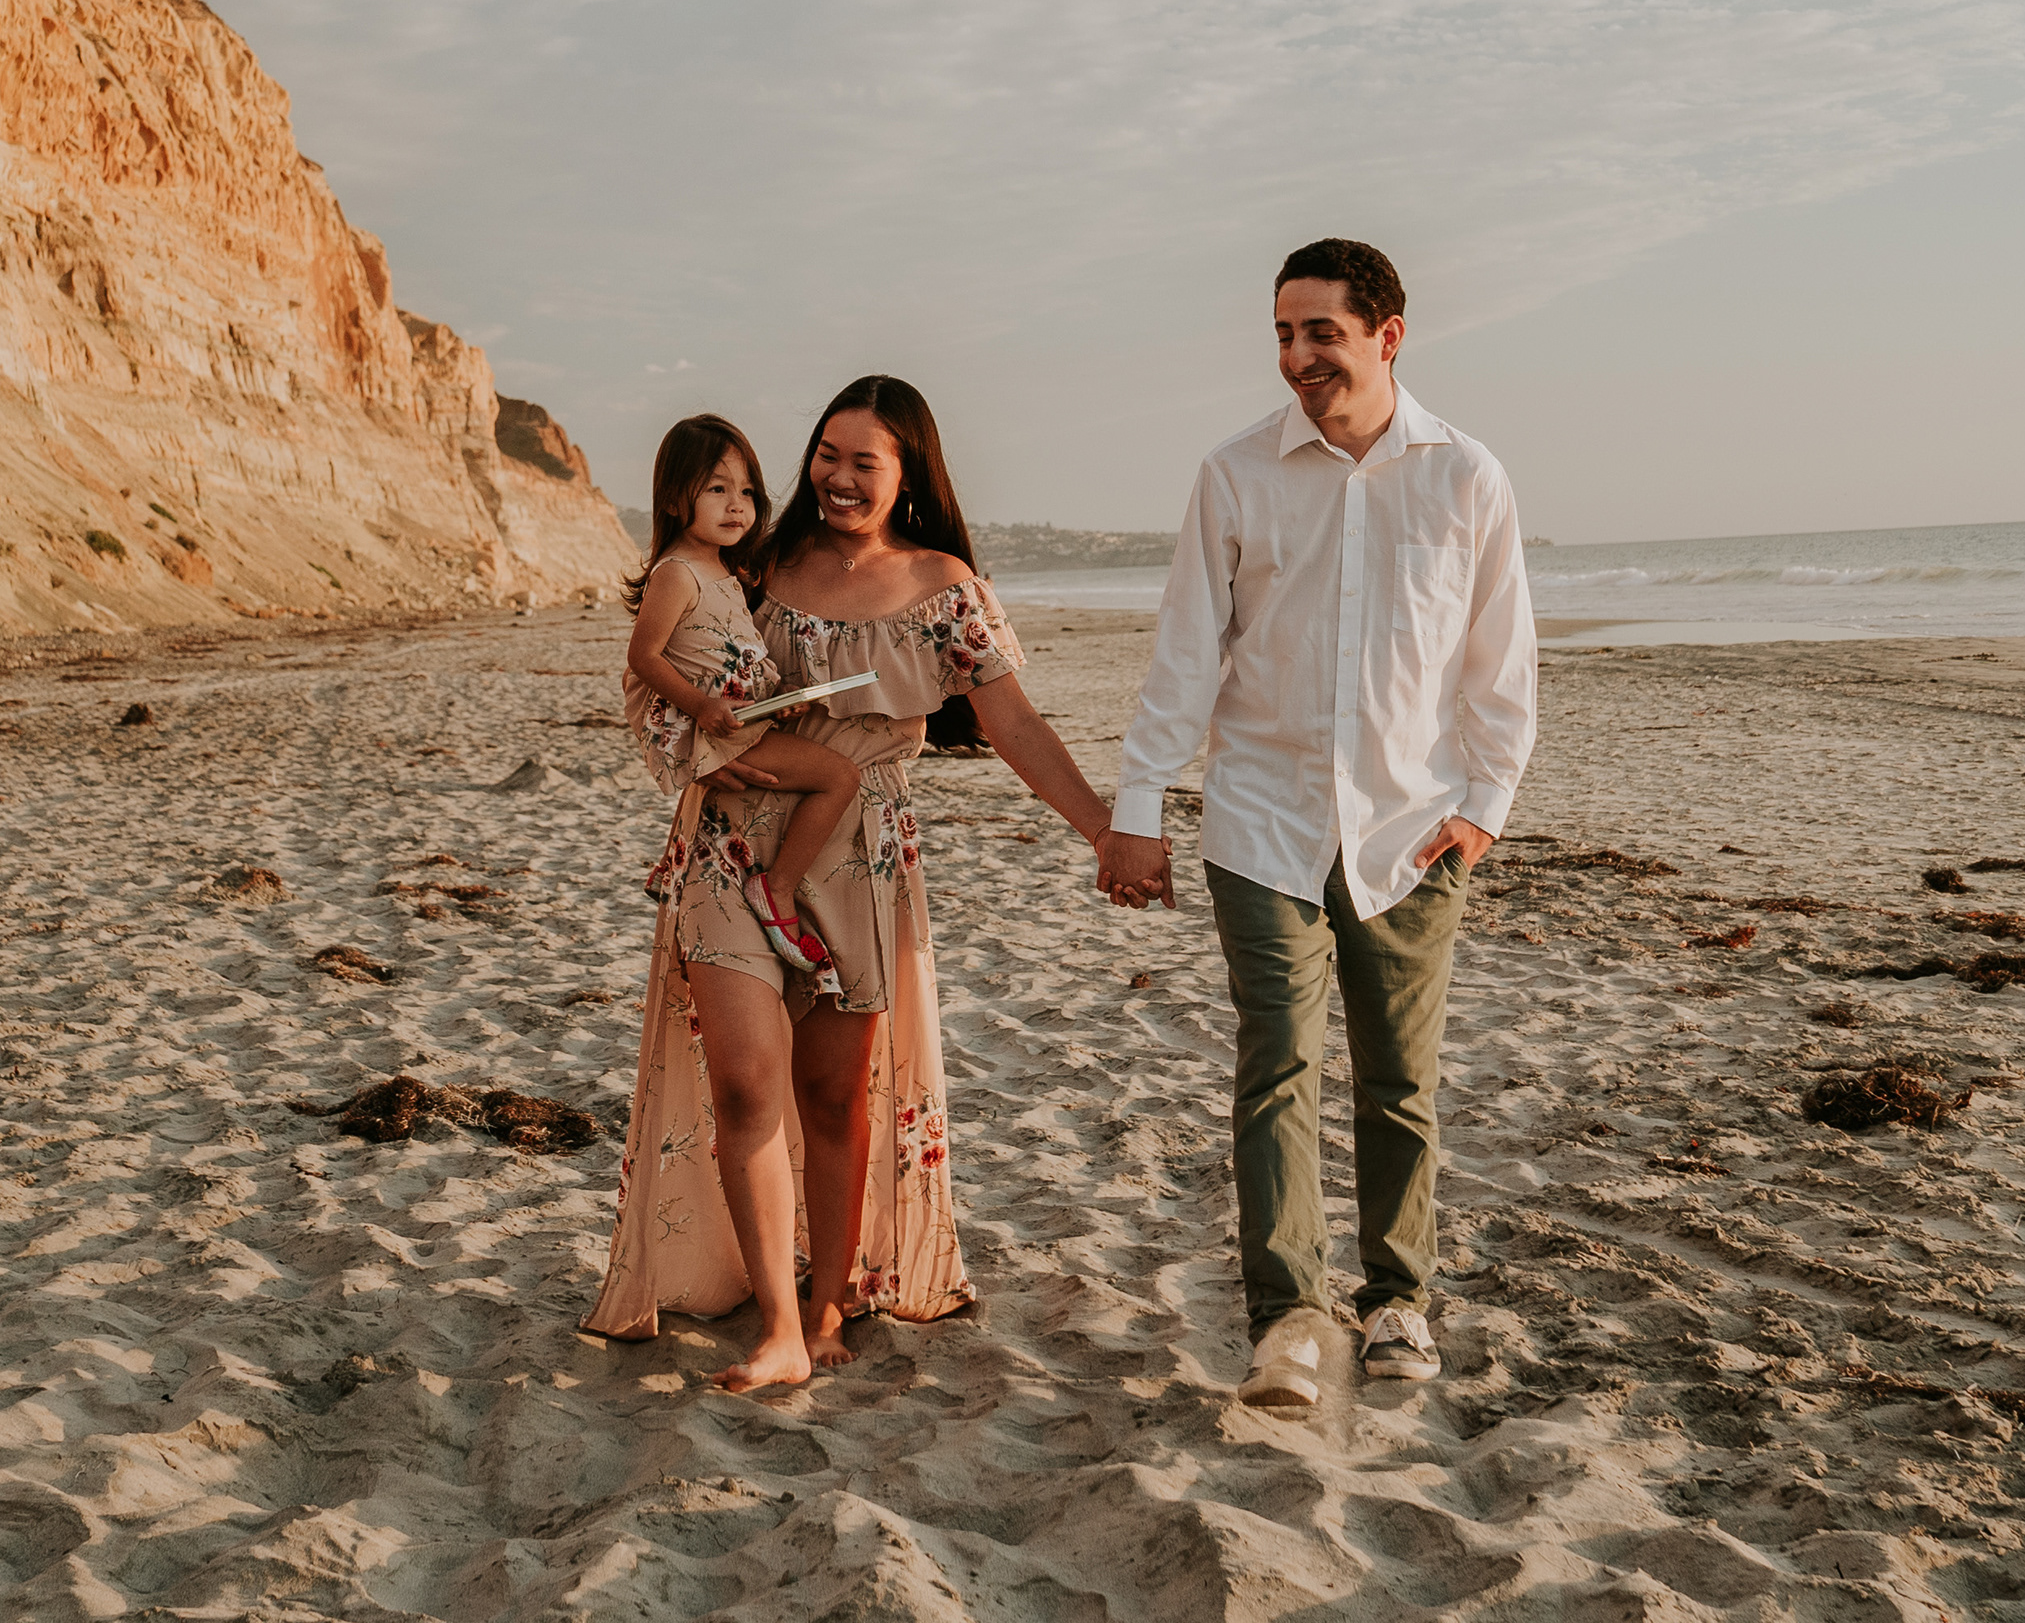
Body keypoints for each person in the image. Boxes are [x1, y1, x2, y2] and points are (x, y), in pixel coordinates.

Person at [587, 376, 1122, 1392]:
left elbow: (1014, 722)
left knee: (833, 1095)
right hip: (734, 842)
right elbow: (667, 660)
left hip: (861, 847)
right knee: (746, 1082)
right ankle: (780, 1328)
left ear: (906, 473)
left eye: (861, 461)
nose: (835, 475)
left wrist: (1101, 827)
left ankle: (830, 1300)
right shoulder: (760, 561)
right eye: (825, 454)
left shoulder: (944, 585)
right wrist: (701, 749)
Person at [1098, 238, 1537, 1413]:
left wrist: (1485, 808)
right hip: (1261, 821)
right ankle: (1288, 1319)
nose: (1298, 357)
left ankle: (1398, 1300)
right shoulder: (1234, 473)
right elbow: (1185, 653)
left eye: (1321, 334)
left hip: (1414, 830)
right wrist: (1138, 805)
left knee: (1400, 1080)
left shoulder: (1467, 476)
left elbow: (1500, 661)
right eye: (1284, 335)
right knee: (1276, 1069)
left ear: (1388, 336)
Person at [620, 415, 869, 989]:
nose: (737, 505)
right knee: (839, 777)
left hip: (742, 721)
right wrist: (702, 707)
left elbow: (724, 652)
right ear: (675, 498)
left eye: (748, 492)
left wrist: (775, 699)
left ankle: (676, 866)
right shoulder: (677, 574)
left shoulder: (724, 570)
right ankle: (775, 889)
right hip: (720, 728)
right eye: (717, 489)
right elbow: (644, 657)